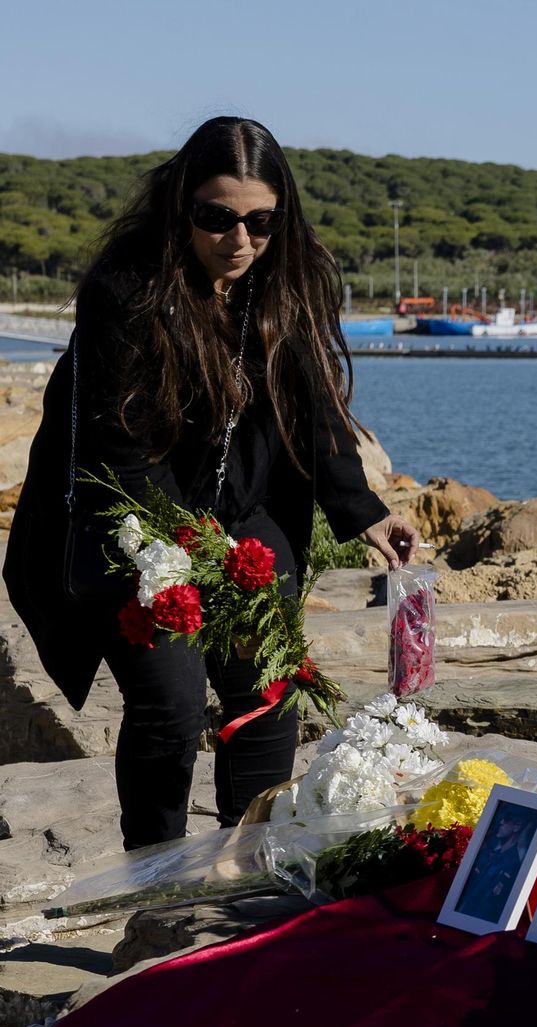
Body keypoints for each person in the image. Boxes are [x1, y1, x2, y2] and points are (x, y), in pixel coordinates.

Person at [3, 117, 421, 850]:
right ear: (181, 208)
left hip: (242, 505)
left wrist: (363, 513)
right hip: (135, 513)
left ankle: (245, 865)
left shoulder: (286, 282)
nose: (240, 240)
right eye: (216, 218)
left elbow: (314, 408)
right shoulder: (127, 290)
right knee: (168, 702)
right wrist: (192, 552)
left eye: (261, 221)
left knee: (267, 689)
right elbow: (118, 449)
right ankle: (155, 882)